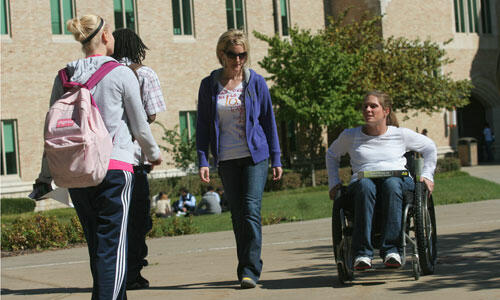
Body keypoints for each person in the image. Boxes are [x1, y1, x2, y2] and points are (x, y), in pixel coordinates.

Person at [36, 15, 162, 300]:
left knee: (100, 248)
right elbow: (140, 124)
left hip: (77, 172)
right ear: (105, 36)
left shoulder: (65, 75)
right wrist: (153, 154)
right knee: (113, 249)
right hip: (114, 168)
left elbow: (51, 129)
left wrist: (45, 176)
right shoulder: (121, 73)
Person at [196, 29, 283, 289]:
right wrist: (203, 159)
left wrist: (276, 158)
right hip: (227, 158)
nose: (238, 61)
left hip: (255, 156)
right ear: (222, 54)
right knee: (237, 214)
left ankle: (250, 269)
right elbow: (202, 125)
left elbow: (268, 121)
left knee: (251, 209)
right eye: (233, 55)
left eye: (243, 55)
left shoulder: (254, 82)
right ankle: (244, 264)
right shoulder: (209, 85)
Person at [326, 90, 436, 271]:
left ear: (386, 111)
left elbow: (430, 147)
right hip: (363, 182)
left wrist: (428, 175)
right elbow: (331, 154)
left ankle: (392, 251)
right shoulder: (350, 136)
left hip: (398, 181)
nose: (368, 110)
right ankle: (362, 253)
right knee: (364, 186)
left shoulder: (400, 134)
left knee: (391, 184)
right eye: (365, 106)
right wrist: (334, 182)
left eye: (373, 106)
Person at [112, 27, 167, 290]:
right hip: (134, 160)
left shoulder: (103, 72)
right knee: (137, 219)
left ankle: (112, 274)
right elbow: (152, 115)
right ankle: (133, 272)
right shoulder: (143, 73)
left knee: (113, 222)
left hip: (106, 160)